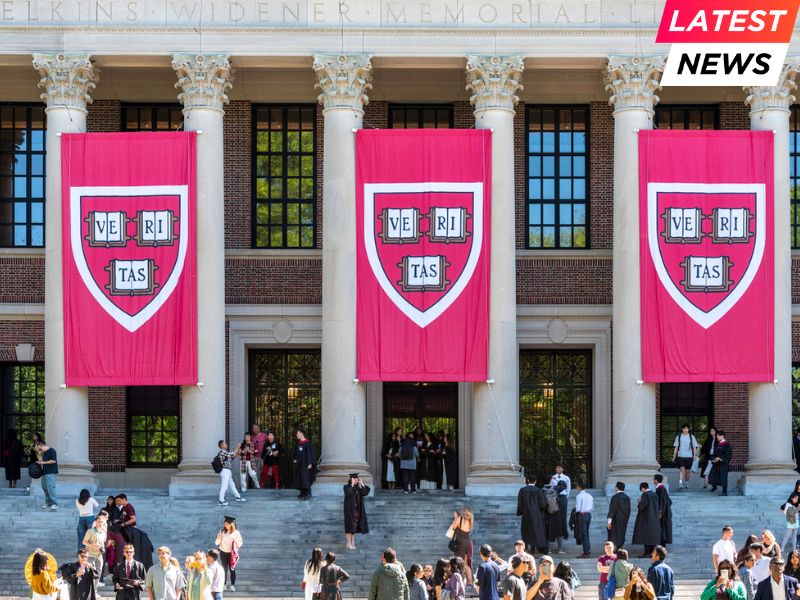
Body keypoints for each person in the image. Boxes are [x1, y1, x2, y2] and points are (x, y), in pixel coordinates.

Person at [517, 476, 548, 555]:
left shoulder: (522, 490)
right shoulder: (539, 491)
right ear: (535, 481)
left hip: (526, 514)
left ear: (528, 480)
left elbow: (520, 503)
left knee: (526, 531)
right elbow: (543, 505)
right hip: (536, 515)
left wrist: (520, 512)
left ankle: (526, 549)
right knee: (535, 531)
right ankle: (533, 550)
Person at [632, 483, 661, 558]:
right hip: (654, 518)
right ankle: (652, 553)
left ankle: (647, 553)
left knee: (646, 536)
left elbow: (642, 507)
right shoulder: (654, 494)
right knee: (652, 536)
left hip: (646, 518)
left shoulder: (645, 494)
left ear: (642, 488)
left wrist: (639, 503)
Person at [214, 516, 242, 592]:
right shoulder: (222, 531)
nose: (225, 525)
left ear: (231, 524)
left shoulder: (236, 533)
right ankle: (224, 585)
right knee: (224, 569)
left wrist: (235, 541)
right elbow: (216, 543)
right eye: (224, 524)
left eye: (226, 524)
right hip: (223, 552)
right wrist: (219, 537)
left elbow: (240, 543)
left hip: (231, 554)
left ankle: (232, 585)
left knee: (232, 569)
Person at [448, 507, 475, 585]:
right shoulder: (470, 521)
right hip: (468, 543)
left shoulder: (459, 519)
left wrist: (456, 517)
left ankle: (460, 581)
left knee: (459, 563)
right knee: (466, 563)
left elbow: (453, 527)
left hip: (460, 543)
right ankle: (470, 581)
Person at [344, 473, 370, 550]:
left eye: (357, 479)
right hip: (349, 510)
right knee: (349, 527)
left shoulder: (358, 488)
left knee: (353, 528)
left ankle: (352, 543)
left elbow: (365, 493)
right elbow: (348, 493)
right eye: (354, 479)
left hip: (357, 511)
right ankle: (349, 543)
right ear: (351, 479)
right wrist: (352, 484)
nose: (356, 481)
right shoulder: (346, 487)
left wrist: (362, 484)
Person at [550, 465, 572, 554]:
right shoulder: (552, 477)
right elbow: (551, 487)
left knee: (563, 516)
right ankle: (554, 536)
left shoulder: (566, 478)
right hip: (554, 497)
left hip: (563, 497)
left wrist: (565, 497)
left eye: (559, 468)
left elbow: (568, 488)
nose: (558, 469)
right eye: (557, 468)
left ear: (562, 469)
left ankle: (564, 534)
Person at [215, 440, 245, 506]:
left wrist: (238, 453)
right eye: (225, 444)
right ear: (222, 445)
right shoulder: (222, 452)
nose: (226, 444)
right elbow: (232, 454)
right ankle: (221, 500)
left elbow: (233, 456)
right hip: (225, 470)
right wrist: (238, 447)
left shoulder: (225, 452)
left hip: (228, 470)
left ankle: (238, 497)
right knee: (224, 486)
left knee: (232, 485)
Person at [82, 514, 108, 589]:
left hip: (99, 556)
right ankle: (88, 591)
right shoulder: (90, 531)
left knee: (98, 574)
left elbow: (103, 543)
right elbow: (84, 542)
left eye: (102, 522)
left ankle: (94, 590)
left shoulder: (104, 532)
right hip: (90, 555)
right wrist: (93, 545)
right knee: (89, 574)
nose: (100, 523)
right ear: (96, 522)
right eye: (99, 522)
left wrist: (102, 547)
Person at [671, 424, 699, 490]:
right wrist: (674, 456)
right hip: (680, 456)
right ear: (682, 429)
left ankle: (686, 482)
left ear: (688, 429)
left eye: (686, 428)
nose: (685, 430)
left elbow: (694, 447)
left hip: (689, 456)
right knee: (682, 470)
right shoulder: (679, 436)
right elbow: (676, 447)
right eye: (684, 428)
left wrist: (694, 455)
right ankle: (680, 483)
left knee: (688, 471)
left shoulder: (691, 437)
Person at [292, 429, 316, 499]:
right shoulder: (298, 444)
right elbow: (294, 453)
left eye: (298, 433)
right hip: (299, 465)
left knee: (306, 478)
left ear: (301, 433)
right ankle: (302, 492)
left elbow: (310, 454)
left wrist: (310, 463)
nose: (297, 435)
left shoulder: (307, 443)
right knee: (299, 478)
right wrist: (294, 459)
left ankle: (308, 492)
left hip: (306, 464)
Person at [607, 482, 631, 551]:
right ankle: (620, 547)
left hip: (616, 519)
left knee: (613, 534)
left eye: (615, 487)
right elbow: (629, 509)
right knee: (622, 533)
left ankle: (612, 548)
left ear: (617, 488)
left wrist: (609, 521)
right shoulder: (627, 497)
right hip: (624, 519)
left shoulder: (615, 497)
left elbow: (612, 509)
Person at [36, 440, 58, 510]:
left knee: (50, 488)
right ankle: (48, 503)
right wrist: (40, 461)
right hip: (45, 473)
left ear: (42, 445)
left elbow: (53, 461)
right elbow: (44, 462)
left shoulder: (52, 450)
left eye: (40, 449)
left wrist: (43, 463)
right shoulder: (44, 453)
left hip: (50, 472)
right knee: (45, 487)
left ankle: (54, 503)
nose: (40, 450)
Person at [575, 482, 593, 558]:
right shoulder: (590, 496)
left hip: (582, 515)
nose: (576, 487)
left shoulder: (579, 496)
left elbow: (578, 508)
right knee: (586, 533)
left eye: (577, 486)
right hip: (589, 514)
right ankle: (587, 549)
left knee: (583, 533)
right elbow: (592, 507)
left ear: (579, 487)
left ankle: (586, 552)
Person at [653, 474, 672, 548]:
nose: (653, 480)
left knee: (662, 527)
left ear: (656, 480)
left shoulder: (661, 488)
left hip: (663, 513)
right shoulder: (660, 488)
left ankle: (662, 543)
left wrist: (660, 511)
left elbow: (662, 501)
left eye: (654, 479)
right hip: (663, 512)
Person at [711, 431, 732, 496]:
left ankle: (724, 492)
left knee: (723, 477)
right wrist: (714, 459)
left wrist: (720, 458)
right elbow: (714, 454)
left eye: (718, 435)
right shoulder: (718, 444)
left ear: (722, 436)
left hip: (723, 464)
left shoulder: (727, 444)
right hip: (717, 464)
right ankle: (714, 487)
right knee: (714, 476)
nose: (716, 437)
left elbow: (728, 454)